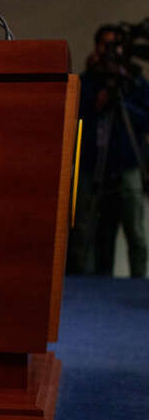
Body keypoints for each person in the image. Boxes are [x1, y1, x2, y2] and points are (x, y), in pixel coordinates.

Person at [68, 25, 149, 277]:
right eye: (105, 44)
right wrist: (98, 102)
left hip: (126, 164)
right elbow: (75, 120)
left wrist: (121, 100)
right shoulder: (87, 81)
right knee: (85, 229)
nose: (110, 51)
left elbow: (146, 120)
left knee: (136, 232)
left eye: (115, 45)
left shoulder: (134, 82)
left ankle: (139, 283)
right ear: (96, 48)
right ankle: (83, 283)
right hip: (91, 165)